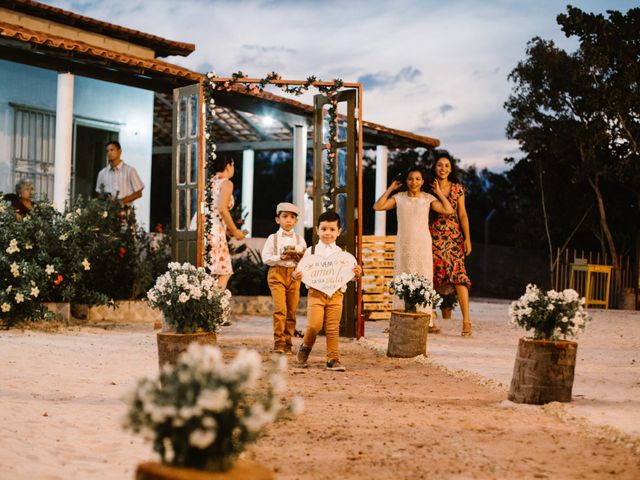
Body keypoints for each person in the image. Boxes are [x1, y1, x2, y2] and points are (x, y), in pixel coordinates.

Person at [373, 166, 454, 333]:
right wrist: (390, 188)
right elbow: (378, 206)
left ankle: (426, 320)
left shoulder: (428, 198)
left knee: (423, 277)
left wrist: (438, 192)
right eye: (411, 178)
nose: (414, 182)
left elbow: (448, 209)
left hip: (422, 243)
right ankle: (398, 318)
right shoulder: (399, 197)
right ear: (406, 181)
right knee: (401, 277)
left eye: (418, 179)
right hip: (404, 243)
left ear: (423, 181)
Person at [294, 211, 362, 371]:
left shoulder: (343, 255)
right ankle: (305, 346)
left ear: (339, 231)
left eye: (332, 230)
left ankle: (333, 358)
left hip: (336, 294)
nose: (328, 233)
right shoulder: (310, 252)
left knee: (332, 327)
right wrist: (295, 275)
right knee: (314, 326)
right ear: (317, 230)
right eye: (324, 229)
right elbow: (300, 271)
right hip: (315, 294)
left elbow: (349, 276)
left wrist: (355, 274)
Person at [429, 153, 473, 336]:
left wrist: (467, 238)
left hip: (454, 237)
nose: (443, 169)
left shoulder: (458, 189)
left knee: (459, 277)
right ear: (434, 167)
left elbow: (462, 214)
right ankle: (428, 319)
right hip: (432, 236)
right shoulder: (428, 187)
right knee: (430, 275)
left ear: (451, 168)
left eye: (447, 165)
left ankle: (466, 322)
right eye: (440, 165)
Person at [261, 202, 307, 354]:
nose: (288, 220)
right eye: (285, 216)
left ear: (296, 221)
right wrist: (279, 257)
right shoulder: (272, 238)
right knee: (280, 309)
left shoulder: (300, 240)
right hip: (277, 273)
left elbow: (306, 260)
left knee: (292, 310)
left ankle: (288, 342)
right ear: (277, 220)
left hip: (294, 275)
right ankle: (279, 341)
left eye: (292, 217)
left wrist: (299, 258)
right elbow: (265, 258)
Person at [207, 154, 245, 290]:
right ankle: (214, 306)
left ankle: (209, 304)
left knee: (209, 271)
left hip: (203, 224)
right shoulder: (226, 183)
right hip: (214, 229)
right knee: (224, 271)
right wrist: (235, 231)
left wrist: (228, 229)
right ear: (228, 166)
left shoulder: (209, 181)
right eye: (233, 165)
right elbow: (222, 208)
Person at [95, 141, 144, 205]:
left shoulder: (130, 170)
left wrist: (120, 202)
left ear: (119, 151)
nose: (109, 153)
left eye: (112, 150)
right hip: (107, 212)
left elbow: (138, 193)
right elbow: (98, 193)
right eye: (107, 151)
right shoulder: (102, 173)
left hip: (125, 212)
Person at [303, 180, 314, 245]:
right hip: (303, 229)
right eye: (308, 186)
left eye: (311, 186)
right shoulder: (301, 199)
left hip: (314, 230)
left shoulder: (322, 199)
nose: (309, 189)